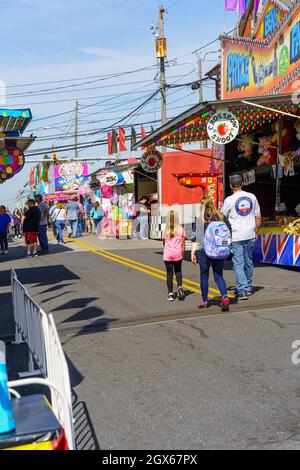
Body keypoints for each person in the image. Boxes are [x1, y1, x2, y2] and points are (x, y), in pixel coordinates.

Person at [221, 174, 262, 300]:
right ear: (242, 183)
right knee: (248, 261)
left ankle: (242, 290)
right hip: (250, 233)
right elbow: (258, 216)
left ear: (230, 186)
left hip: (236, 235)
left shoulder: (229, 200)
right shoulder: (252, 197)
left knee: (238, 263)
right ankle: (248, 287)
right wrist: (256, 232)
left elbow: (222, 217)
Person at [191, 196, 230, 312]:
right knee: (218, 275)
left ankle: (204, 300)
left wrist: (193, 252)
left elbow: (196, 237)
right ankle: (224, 296)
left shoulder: (201, 218)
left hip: (205, 250)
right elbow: (229, 230)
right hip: (220, 249)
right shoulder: (221, 216)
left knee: (204, 275)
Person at [163, 211, 186, 302]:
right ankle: (180, 287)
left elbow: (164, 243)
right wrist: (182, 254)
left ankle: (170, 294)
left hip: (168, 254)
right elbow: (183, 244)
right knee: (178, 271)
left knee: (169, 274)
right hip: (178, 253)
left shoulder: (166, 230)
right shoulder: (181, 229)